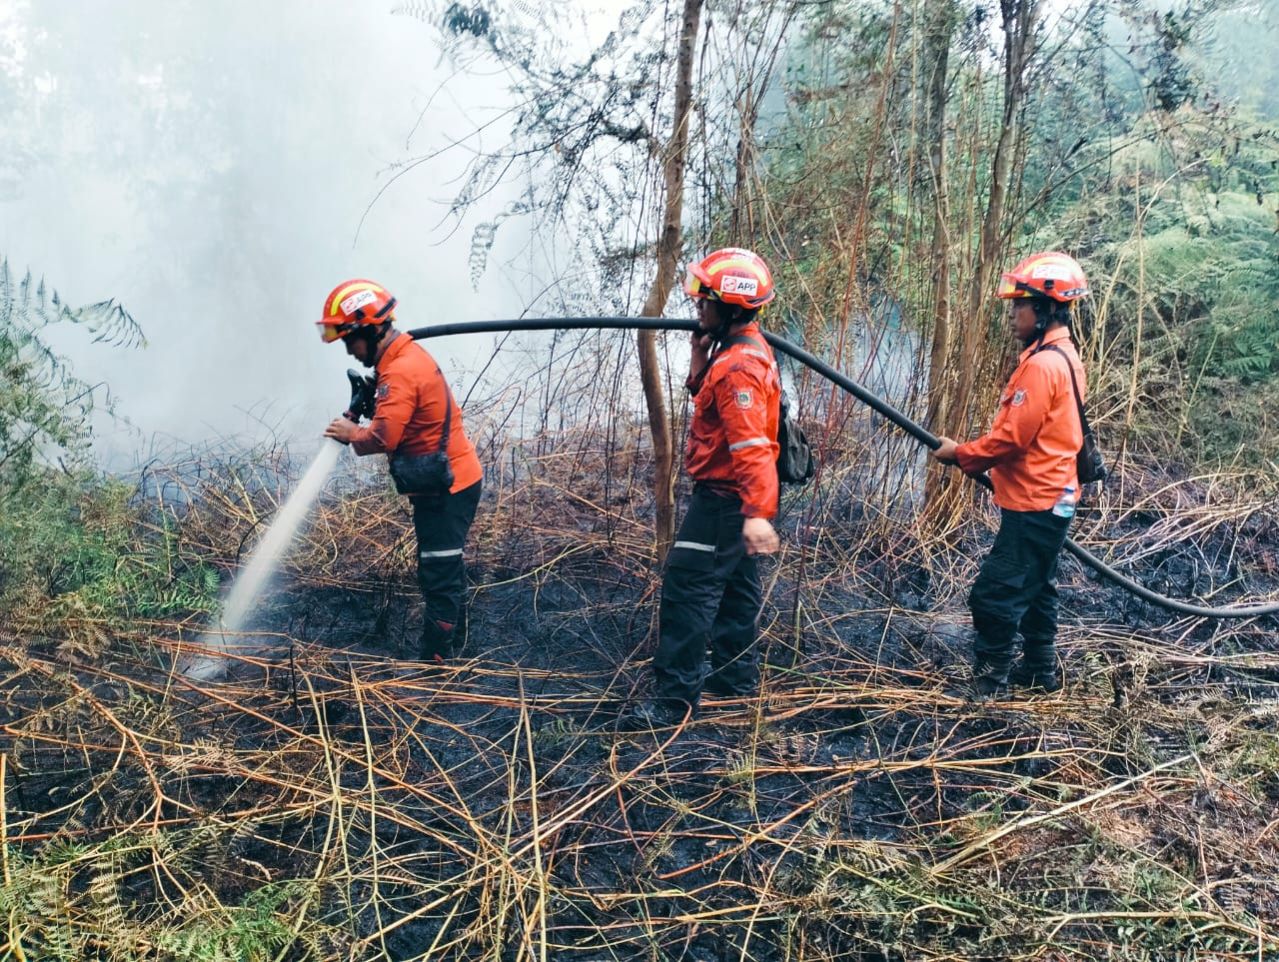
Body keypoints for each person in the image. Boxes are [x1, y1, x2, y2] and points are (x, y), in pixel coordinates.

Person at [630, 248, 784, 728]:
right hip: (733, 499)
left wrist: (758, 513)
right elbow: (717, 411)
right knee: (737, 588)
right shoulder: (736, 353)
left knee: (686, 588)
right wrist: (699, 359)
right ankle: (734, 683)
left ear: (731, 307)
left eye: (704, 303)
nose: (697, 311)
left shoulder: (739, 366)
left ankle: (673, 703)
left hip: (724, 500)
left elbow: (751, 445)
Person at [931, 251, 1091, 697]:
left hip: (1037, 500)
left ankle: (988, 684)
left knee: (994, 595)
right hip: (1051, 494)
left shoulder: (1042, 365)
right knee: (1037, 586)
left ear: (1044, 308)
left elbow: (1010, 440)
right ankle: (1040, 671)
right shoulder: (1064, 355)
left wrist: (959, 454)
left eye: (1019, 306)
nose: (1013, 315)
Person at [318, 279, 483, 663]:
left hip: (449, 489)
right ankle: (454, 642)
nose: (349, 350)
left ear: (372, 330)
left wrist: (351, 432)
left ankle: (436, 665)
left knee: (438, 573)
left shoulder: (401, 371)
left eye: (350, 340)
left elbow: (385, 437)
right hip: (444, 483)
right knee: (441, 564)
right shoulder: (397, 362)